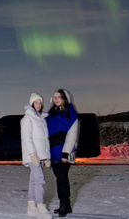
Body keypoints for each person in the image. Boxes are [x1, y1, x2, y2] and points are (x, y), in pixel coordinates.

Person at [47, 89, 79, 217]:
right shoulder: (51, 113)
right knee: (60, 178)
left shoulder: (70, 113)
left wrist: (65, 153)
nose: (56, 99)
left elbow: (72, 135)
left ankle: (64, 205)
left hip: (64, 151)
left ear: (65, 98)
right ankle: (67, 205)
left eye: (59, 97)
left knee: (62, 178)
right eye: (55, 97)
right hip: (53, 150)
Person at [21, 93, 51, 218]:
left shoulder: (42, 119)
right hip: (32, 155)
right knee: (40, 179)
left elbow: (45, 140)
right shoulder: (27, 119)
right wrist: (33, 155)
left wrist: (47, 156)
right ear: (32, 103)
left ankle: (31, 205)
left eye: (40, 102)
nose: (38, 104)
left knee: (34, 180)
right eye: (36, 102)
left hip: (40, 156)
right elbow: (26, 138)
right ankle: (40, 207)